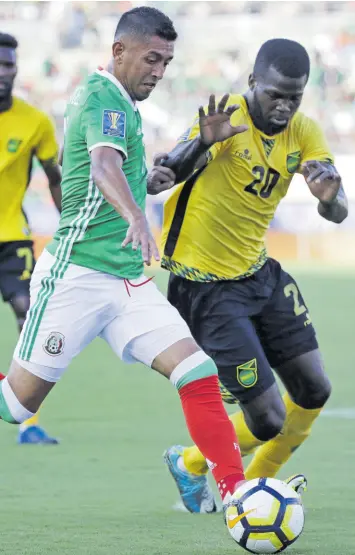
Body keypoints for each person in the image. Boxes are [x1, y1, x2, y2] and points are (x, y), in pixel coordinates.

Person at [0, 7, 247, 514]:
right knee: (15, 405)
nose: (159, 71)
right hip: (77, 276)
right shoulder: (102, 96)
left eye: (167, 61)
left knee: (197, 371)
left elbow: (130, 171)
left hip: (128, 282)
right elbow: (102, 164)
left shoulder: (125, 106)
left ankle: (238, 496)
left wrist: (196, 146)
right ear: (119, 51)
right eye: (151, 59)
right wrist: (136, 215)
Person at [148, 38, 348, 513]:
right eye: (275, 94)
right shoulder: (225, 118)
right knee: (266, 420)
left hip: (259, 275)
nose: (283, 106)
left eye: (294, 97)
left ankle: (254, 492)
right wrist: (203, 141)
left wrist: (327, 198)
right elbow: (167, 173)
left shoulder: (304, 132)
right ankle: (191, 463)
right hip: (206, 288)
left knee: (315, 390)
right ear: (253, 81)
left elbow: (338, 211)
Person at [0, 32, 62, 444]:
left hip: (12, 237)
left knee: (28, 311)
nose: (3, 72)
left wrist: (72, 229)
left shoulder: (34, 121)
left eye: (8, 64)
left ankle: (29, 421)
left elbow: (56, 179)